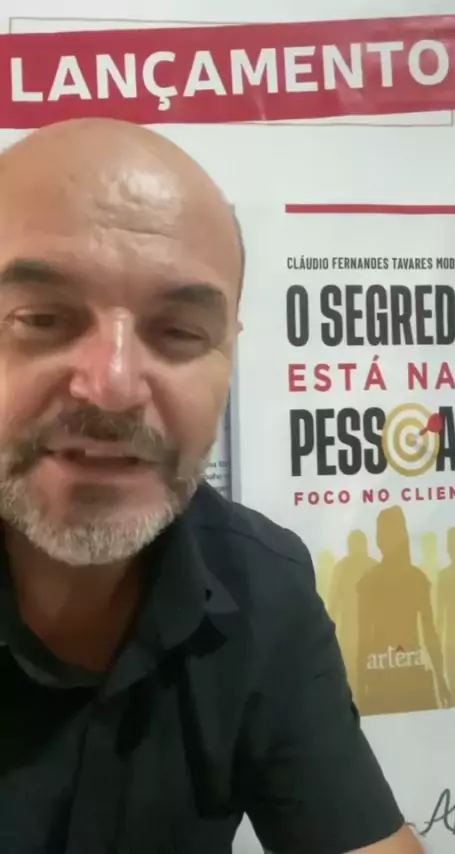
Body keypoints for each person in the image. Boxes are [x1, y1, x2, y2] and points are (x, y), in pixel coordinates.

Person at [0, 118, 422, 853]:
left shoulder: (261, 583)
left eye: (181, 332)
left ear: (229, 357)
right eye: (41, 318)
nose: (114, 385)